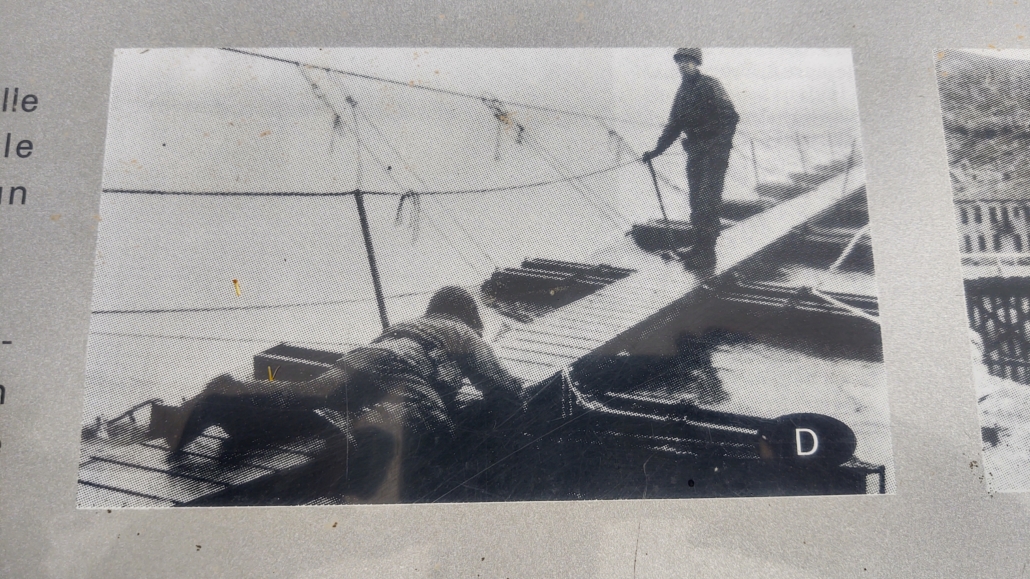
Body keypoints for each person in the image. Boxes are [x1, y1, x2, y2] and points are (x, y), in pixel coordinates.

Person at [150, 286, 524, 501]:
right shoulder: (462, 331)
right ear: (470, 317)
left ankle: (226, 398)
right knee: (430, 426)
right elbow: (504, 389)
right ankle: (361, 443)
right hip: (407, 372)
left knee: (308, 393)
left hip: (364, 359)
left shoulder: (409, 323)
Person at [642, 48, 739, 269]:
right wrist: (656, 151)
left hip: (715, 154)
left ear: (697, 63)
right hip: (695, 152)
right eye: (680, 62)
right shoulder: (682, 91)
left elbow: (731, 117)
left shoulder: (711, 85)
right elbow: (674, 124)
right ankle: (698, 248)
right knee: (696, 201)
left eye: (688, 61)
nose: (683, 65)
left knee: (708, 201)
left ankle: (708, 254)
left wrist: (719, 145)